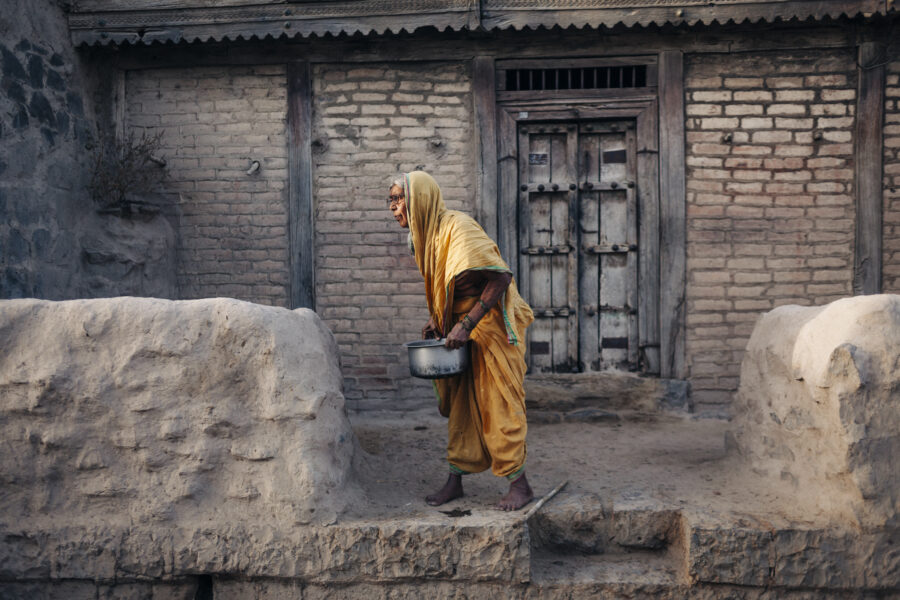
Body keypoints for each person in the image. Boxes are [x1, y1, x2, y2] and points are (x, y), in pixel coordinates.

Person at [388, 171, 535, 511]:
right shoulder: (426, 237)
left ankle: (520, 484)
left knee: (496, 406)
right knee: (460, 409)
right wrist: (438, 319)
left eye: (400, 199)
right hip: (458, 329)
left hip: (490, 328)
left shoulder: (459, 228)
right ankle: (455, 481)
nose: (395, 208)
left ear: (421, 200)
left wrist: (466, 324)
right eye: (391, 201)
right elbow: (454, 288)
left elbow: (501, 276)